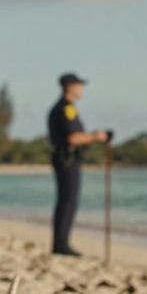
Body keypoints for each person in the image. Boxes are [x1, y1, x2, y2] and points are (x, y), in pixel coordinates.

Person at [47, 73, 110, 256]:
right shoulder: (65, 109)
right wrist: (96, 137)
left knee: (67, 201)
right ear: (70, 87)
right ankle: (61, 244)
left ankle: (61, 242)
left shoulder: (64, 108)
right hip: (67, 160)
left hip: (67, 160)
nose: (81, 89)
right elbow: (73, 138)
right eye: (79, 85)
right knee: (68, 201)